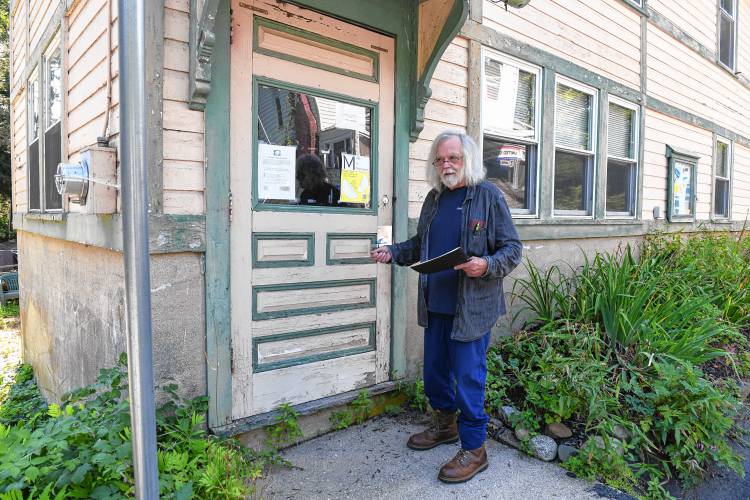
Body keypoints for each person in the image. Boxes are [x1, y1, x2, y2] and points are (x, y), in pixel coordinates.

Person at [370, 131, 522, 483]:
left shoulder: (487, 196)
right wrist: (393, 252)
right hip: (435, 303)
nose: (446, 165)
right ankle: (444, 426)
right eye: (440, 160)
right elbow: (421, 244)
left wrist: (485, 265)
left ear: (467, 158)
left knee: (469, 379)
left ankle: (475, 449)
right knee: (435, 374)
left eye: (452, 158)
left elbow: (512, 249)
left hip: (471, 308)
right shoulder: (435, 199)